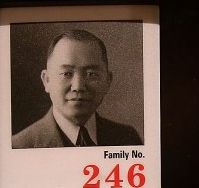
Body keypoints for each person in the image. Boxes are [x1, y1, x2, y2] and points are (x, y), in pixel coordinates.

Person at [12, 29, 142, 149]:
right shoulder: (19, 146)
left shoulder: (128, 139)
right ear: (47, 80)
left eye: (91, 74)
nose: (78, 86)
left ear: (108, 81)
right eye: (66, 73)